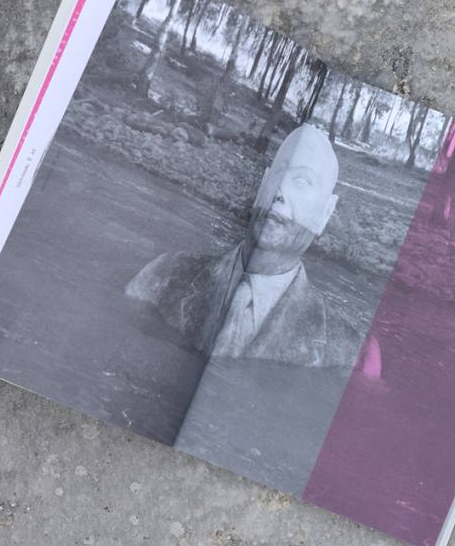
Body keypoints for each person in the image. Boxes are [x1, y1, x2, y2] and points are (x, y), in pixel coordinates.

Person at [126, 124, 377, 372]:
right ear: (263, 186)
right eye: (278, 174)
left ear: (326, 213)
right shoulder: (161, 276)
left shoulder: (354, 354)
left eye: (301, 181)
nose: (279, 192)